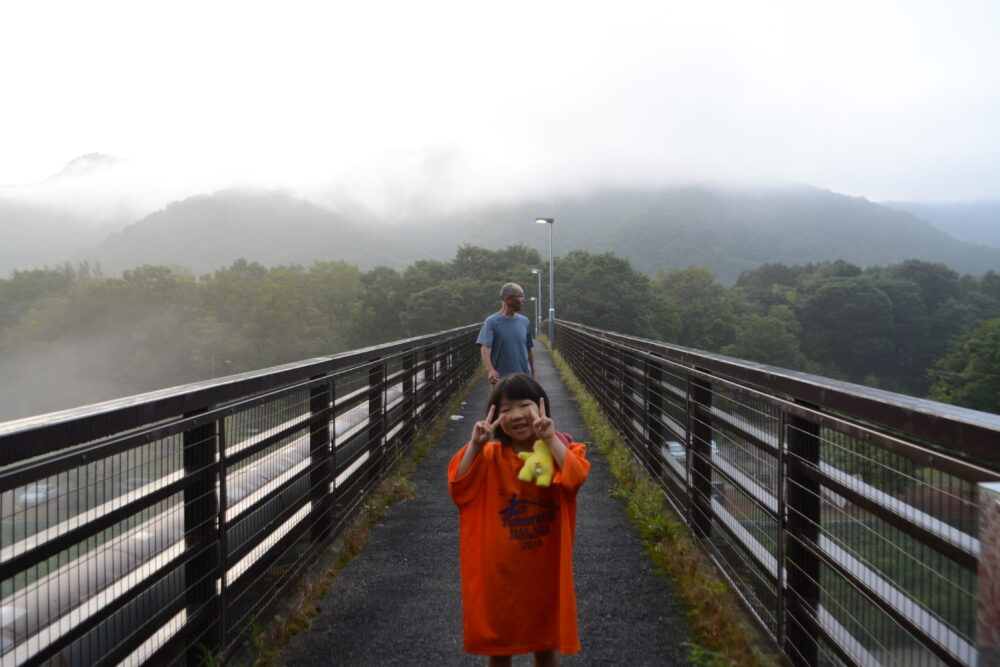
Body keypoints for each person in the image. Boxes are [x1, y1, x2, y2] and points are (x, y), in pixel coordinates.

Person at [449, 374, 590, 666]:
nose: (515, 415)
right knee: (499, 648)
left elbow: (575, 477)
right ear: (495, 417)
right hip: (499, 575)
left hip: (544, 572)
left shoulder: (557, 452)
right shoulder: (489, 456)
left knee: (545, 643)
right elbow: (459, 485)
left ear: (541, 406)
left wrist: (550, 438)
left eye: (524, 405)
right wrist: (475, 445)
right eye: (505, 410)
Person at [477, 283, 535, 385]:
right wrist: (490, 370)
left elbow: (528, 349)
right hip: (502, 380)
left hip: (525, 378)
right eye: (520, 296)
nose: (523, 300)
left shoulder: (525, 321)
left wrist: (533, 373)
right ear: (508, 299)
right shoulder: (491, 322)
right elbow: (484, 347)